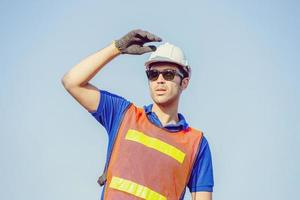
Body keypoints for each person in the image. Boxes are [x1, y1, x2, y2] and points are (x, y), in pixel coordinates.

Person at [61, 29, 214, 200]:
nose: (160, 80)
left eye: (168, 74)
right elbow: (71, 82)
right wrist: (116, 48)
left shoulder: (196, 144)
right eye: (153, 74)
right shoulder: (123, 115)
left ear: (184, 82)